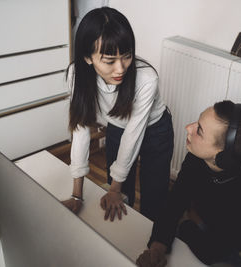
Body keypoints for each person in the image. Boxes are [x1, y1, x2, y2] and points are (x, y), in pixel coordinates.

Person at [61, 7, 174, 222]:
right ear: (87, 57)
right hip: (117, 127)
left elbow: (134, 133)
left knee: (154, 196)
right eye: (109, 60)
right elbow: (80, 129)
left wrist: (113, 189)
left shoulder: (146, 79)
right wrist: (77, 195)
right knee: (121, 193)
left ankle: (153, 242)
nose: (120, 68)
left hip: (156, 130)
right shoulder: (76, 75)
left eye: (127, 56)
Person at [136, 100, 241, 266]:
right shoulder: (196, 159)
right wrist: (158, 245)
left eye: (199, 130)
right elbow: (175, 202)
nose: (188, 127)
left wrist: (186, 227)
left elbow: (216, 251)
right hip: (211, 231)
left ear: (222, 156)